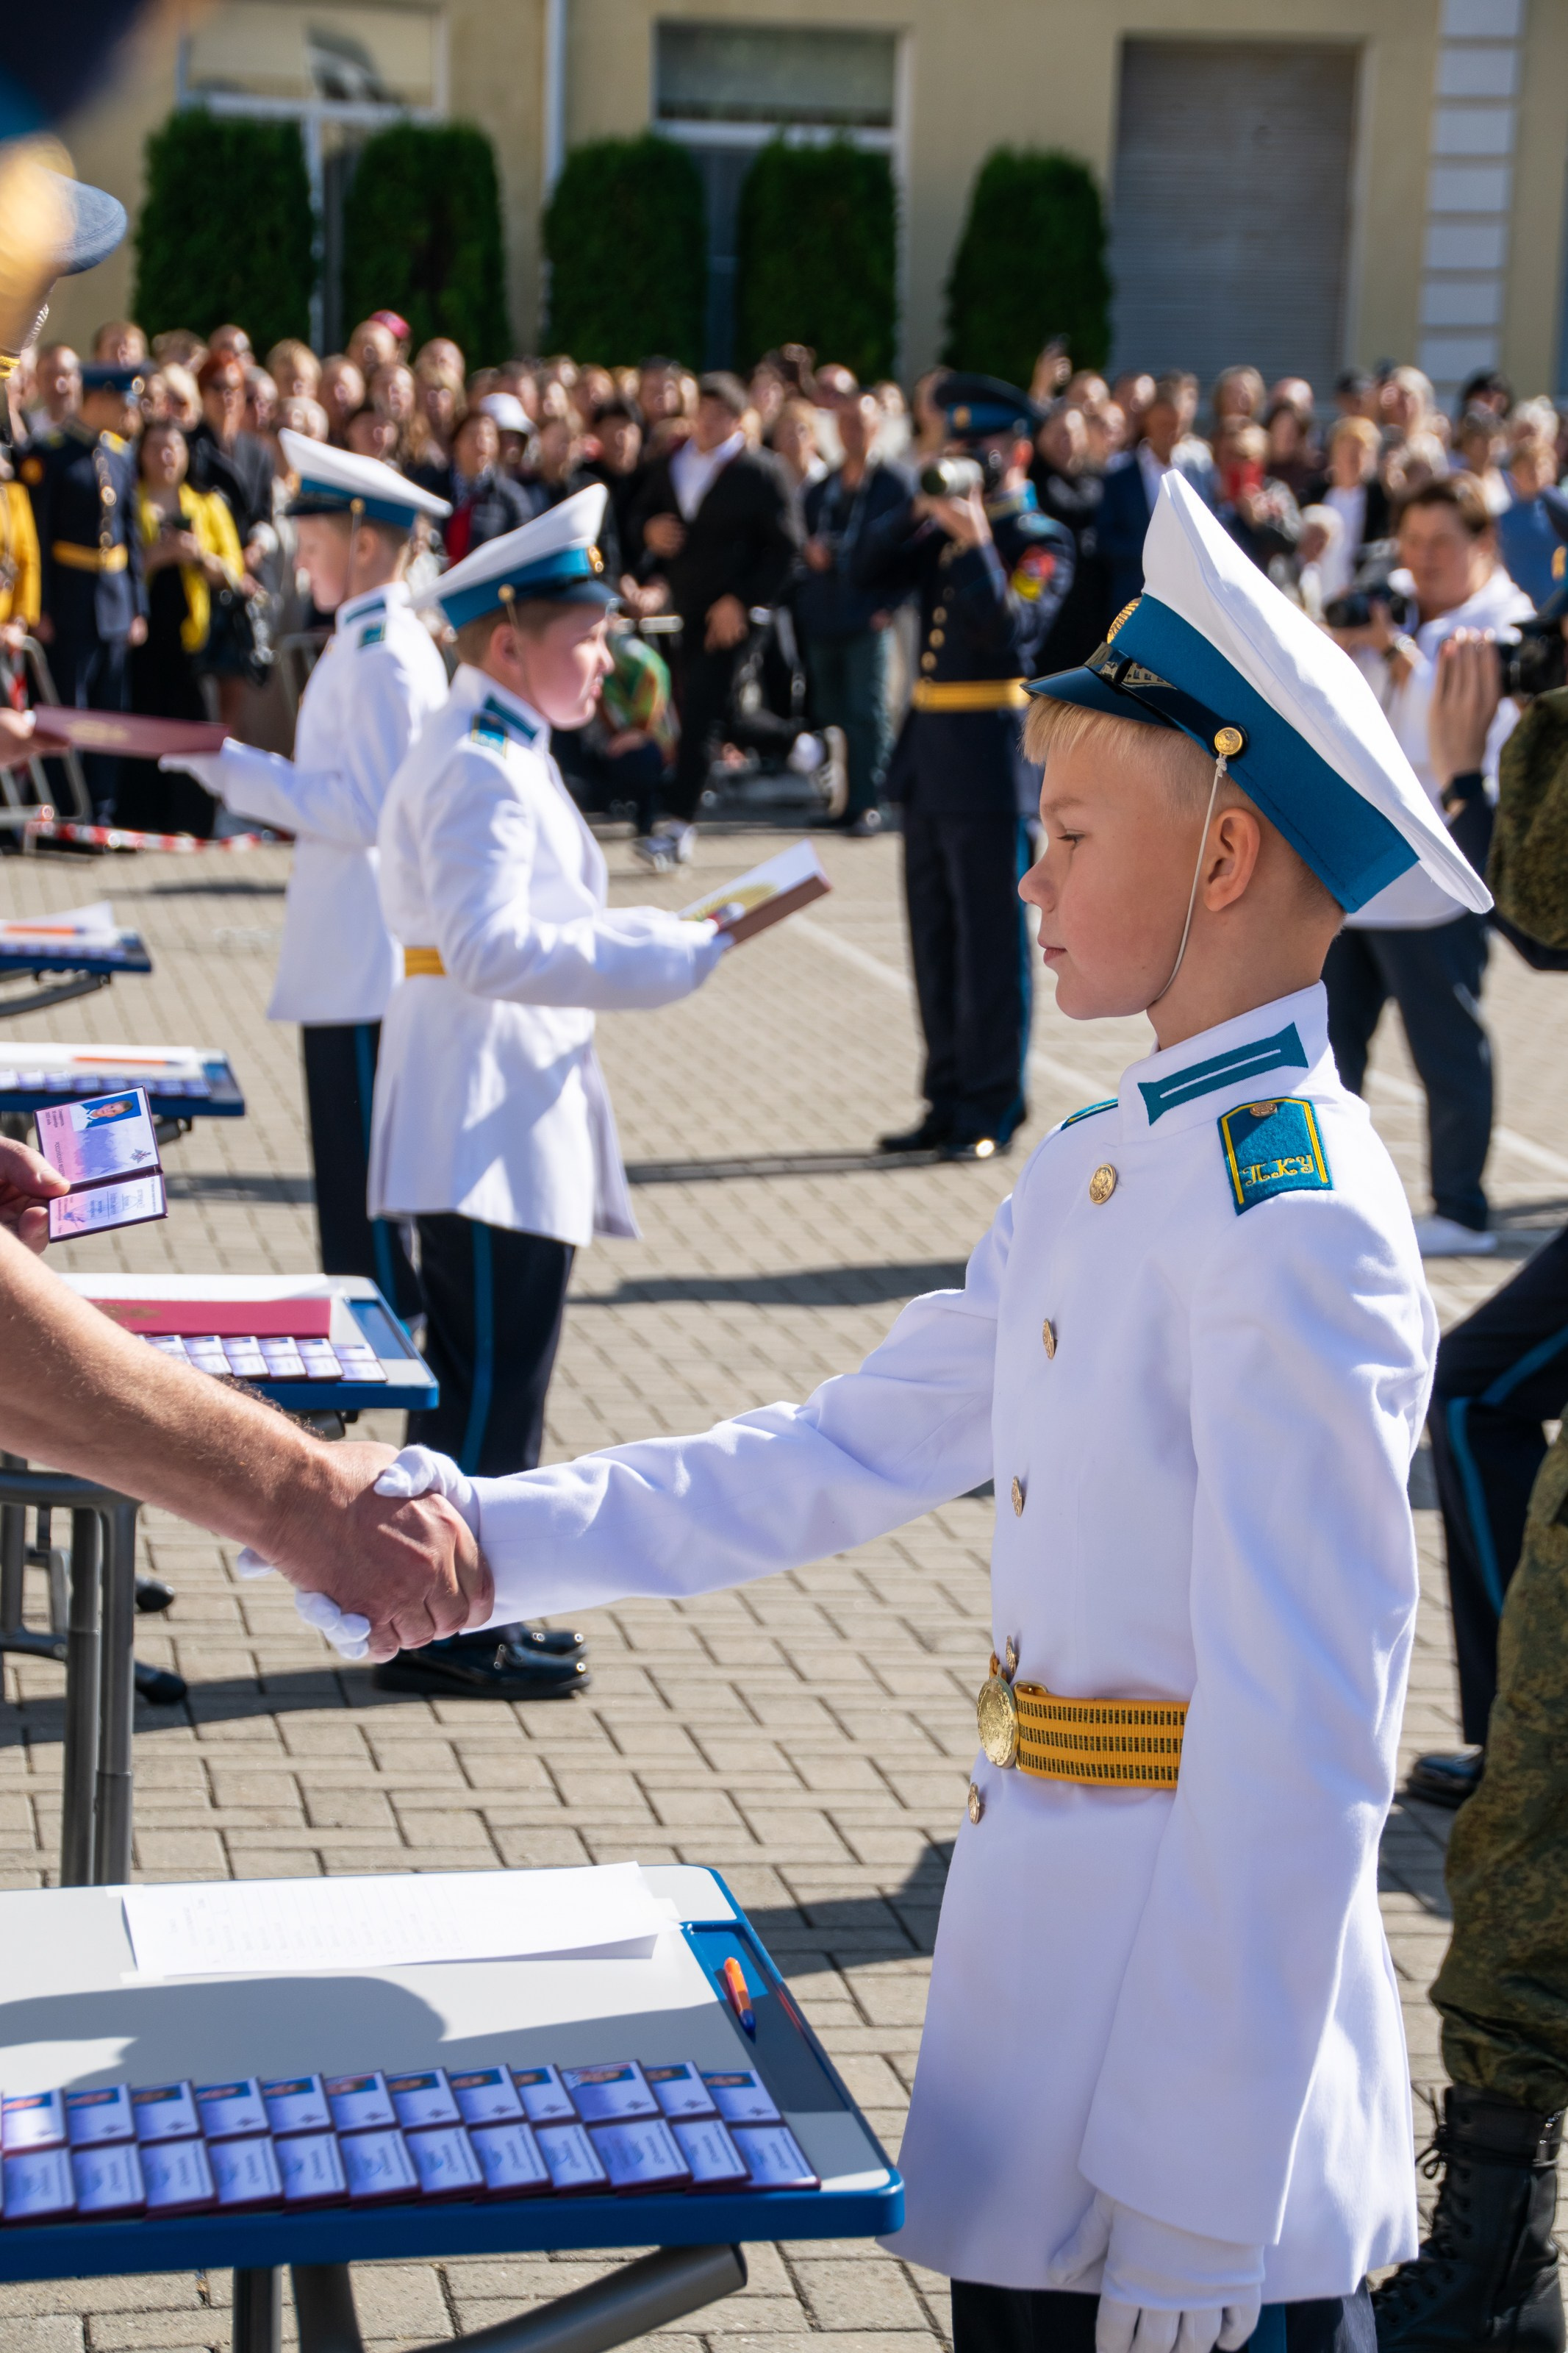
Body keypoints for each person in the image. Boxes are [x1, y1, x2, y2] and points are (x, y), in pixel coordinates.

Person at [361, 468, 1490, 2353]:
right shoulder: (1110, 1161)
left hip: (1193, 2133)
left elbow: (1302, 1743)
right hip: (1040, 2041)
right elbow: (833, 1450)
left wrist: (1205, 2201)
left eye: (1062, 831)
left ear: (1219, 862)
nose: (1020, 876)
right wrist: (487, 1537)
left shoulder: (1292, 1220)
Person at [365, 488, 731, 1699]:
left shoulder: (504, 746)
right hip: (482, 1111)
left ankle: (468, 1602)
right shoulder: (479, 762)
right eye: (582, 636)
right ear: (507, 641)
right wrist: (652, 959)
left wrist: (643, 930)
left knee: (499, 1385)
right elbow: (485, 946)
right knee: (479, 1390)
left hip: (501, 1108)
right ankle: (443, 1624)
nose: (604, 656)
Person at [161, 432, 451, 1318]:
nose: (303, 557)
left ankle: (380, 1389)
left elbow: (368, 811)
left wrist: (240, 770)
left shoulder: (388, 656)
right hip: (348, 960)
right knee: (351, 1208)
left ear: (366, 543)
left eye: (315, 541)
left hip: (368, 965)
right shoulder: (363, 644)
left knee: (366, 1222)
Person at [854, 372, 1075, 1160]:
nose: (962, 465)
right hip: (930, 761)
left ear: (1015, 453)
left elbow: (1009, 632)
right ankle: (944, 1097)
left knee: (991, 948)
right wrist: (914, 514)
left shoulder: (1039, 540)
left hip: (989, 766)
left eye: (978, 451)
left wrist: (980, 538)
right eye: (955, 450)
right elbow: (859, 579)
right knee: (935, 943)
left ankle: (992, 1104)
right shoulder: (937, 534)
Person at [1325, 474, 1535, 1254]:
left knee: (1447, 1051)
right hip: (1355, 881)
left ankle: (1460, 1207)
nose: (1424, 559)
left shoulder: (1507, 626)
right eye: (1411, 542)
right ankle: (1328, 1201)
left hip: (1439, 882)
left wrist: (1399, 655)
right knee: (1329, 1053)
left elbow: (1456, 745)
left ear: (1483, 544)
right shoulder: (1390, 605)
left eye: (1442, 542)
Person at [626, 370, 802, 868]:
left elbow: (786, 548)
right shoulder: (673, 463)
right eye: (703, 410)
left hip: (737, 618)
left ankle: (675, 826)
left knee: (701, 715)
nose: (709, 421)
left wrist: (742, 601)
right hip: (689, 611)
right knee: (715, 714)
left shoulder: (760, 471)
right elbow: (638, 517)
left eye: (722, 413)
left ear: (739, 418)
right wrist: (649, 532)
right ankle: (804, 746)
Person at [18, 360, 148, 815]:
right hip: (69, 601)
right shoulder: (49, 454)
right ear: (101, 398)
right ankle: (65, 811)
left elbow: (131, 537)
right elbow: (37, 536)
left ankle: (102, 810)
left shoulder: (119, 454)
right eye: (124, 402)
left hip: (113, 601)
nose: (131, 412)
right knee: (66, 711)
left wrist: (138, 607)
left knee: (110, 714)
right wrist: (42, 607)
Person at [119, 418, 245, 835]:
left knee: (190, 729)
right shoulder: (128, 499)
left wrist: (194, 556)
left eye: (173, 447)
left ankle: (190, 821)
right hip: (141, 638)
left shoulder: (206, 505)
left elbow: (232, 572)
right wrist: (157, 555)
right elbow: (120, 565)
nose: (166, 456)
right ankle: (139, 818)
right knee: (141, 725)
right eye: (155, 447)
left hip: (190, 642)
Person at [797, 384, 911, 835]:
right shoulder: (821, 488)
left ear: (877, 428)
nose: (852, 433)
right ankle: (839, 802)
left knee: (867, 711)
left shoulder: (895, 484)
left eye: (861, 425)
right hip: (824, 615)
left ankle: (869, 801)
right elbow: (798, 539)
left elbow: (910, 551)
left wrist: (889, 604)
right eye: (844, 424)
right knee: (830, 711)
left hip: (868, 615)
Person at [1098, 372, 1216, 615]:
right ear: (1147, 421)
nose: (1171, 434)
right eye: (1164, 425)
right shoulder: (1119, 476)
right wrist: (1156, 553)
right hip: (1132, 601)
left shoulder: (1198, 473)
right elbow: (1106, 540)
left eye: (1178, 426)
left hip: (1186, 604)